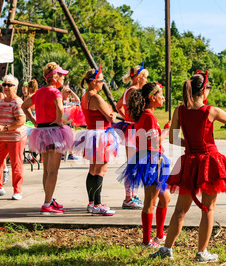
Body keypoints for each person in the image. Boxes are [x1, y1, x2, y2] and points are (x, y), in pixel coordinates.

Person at [150, 70, 226, 262]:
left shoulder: (179, 110)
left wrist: (191, 146)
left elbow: (174, 139)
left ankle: (167, 248)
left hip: (190, 162)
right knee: (208, 208)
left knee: (179, 210)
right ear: (204, 91)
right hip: (209, 161)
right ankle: (202, 252)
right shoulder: (211, 111)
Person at [117, 82, 171, 248]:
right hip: (152, 160)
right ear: (152, 98)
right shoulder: (149, 116)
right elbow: (155, 142)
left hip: (151, 158)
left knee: (165, 198)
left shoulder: (145, 115)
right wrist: (168, 129)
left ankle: (160, 235)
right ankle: (147, 241)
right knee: (150, 202)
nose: (163, 97)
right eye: (160, 94)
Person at [21, 62, 74, 214]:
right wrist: (58, 119)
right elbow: (60, 107)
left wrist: (35, 121)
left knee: (46, 170)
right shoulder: (56, 92)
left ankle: (49, 200)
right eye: (62, 75)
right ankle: (46, 204)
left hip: (42, 131)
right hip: (55, 132)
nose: (64, 78)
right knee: (53, 171)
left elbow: (24, 106)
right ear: (55, 77)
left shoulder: (40, 92)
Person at [73, 66, 121, 216]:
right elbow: (110, 117)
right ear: (93, 82)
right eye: (101, 81)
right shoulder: (96, 97)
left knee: (92, 169)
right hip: (101, 134)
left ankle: (92, 202)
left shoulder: (85, 96)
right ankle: (98, 204)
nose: (102, 83)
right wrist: (112, 114)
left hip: (91, 134)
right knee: (101, 170)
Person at [0, 74, 27, 200]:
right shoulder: (2, 101)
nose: (6, 87)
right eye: (4, 84)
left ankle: (17, 190)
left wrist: (6, 128)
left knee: (16, 164)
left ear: (16, 87)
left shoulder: (18, 102)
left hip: (15, 138)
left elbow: (21, 120)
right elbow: (0, 119)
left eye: (10, 85)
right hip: (0, 137)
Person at [114, 62, 149, 210]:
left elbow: (118, 106)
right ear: (139, 78)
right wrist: (132, 119)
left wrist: (125, 117)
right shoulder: (136, 92)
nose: (146, 80)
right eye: (145, 78)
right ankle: (128, 198)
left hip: (129, 127)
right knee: (132, 164)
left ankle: (131, 195)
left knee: (133, 163)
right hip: (134, 129)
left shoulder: (128, 89)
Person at [62, 84, 83, 160]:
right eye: (66, 92)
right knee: (63, 139)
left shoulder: (71, 100)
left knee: (72, 138)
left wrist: (72, 92)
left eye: (68, 92)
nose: (68, 94)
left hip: (70, 122)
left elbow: (78, 100)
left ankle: (71, 153)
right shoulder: (61, 100)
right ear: (63, 92)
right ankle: (62, 154)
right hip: (63, 121)